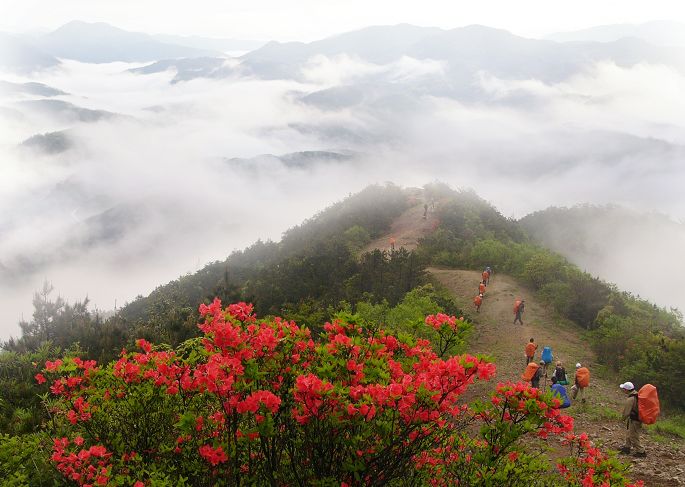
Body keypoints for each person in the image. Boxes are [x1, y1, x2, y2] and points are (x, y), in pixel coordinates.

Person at [618, 382, 646, 457]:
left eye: (623, 389)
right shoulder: (637, 394)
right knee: (629, 433)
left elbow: (626, 412)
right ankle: (627, 447)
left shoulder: (631, 399)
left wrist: (622, 419)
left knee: (633, 435)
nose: (623, 390)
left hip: (635, 420)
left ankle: (641, 451)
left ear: (626, 390)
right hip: (636, 419)